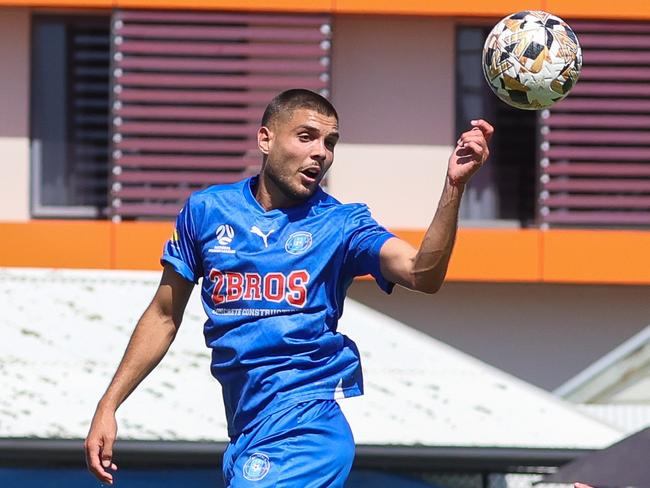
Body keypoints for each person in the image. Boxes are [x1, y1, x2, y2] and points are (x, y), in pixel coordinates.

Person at [85, 88, 493, 486]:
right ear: (266, 139)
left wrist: (454, 187)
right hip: (246, 435)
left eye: (330, 142)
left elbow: (423, 273)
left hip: (307, 430)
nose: (321, 152)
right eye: (306, 136)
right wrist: (109, 404)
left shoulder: (343, 225)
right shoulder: (206, 212)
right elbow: (163, 314)